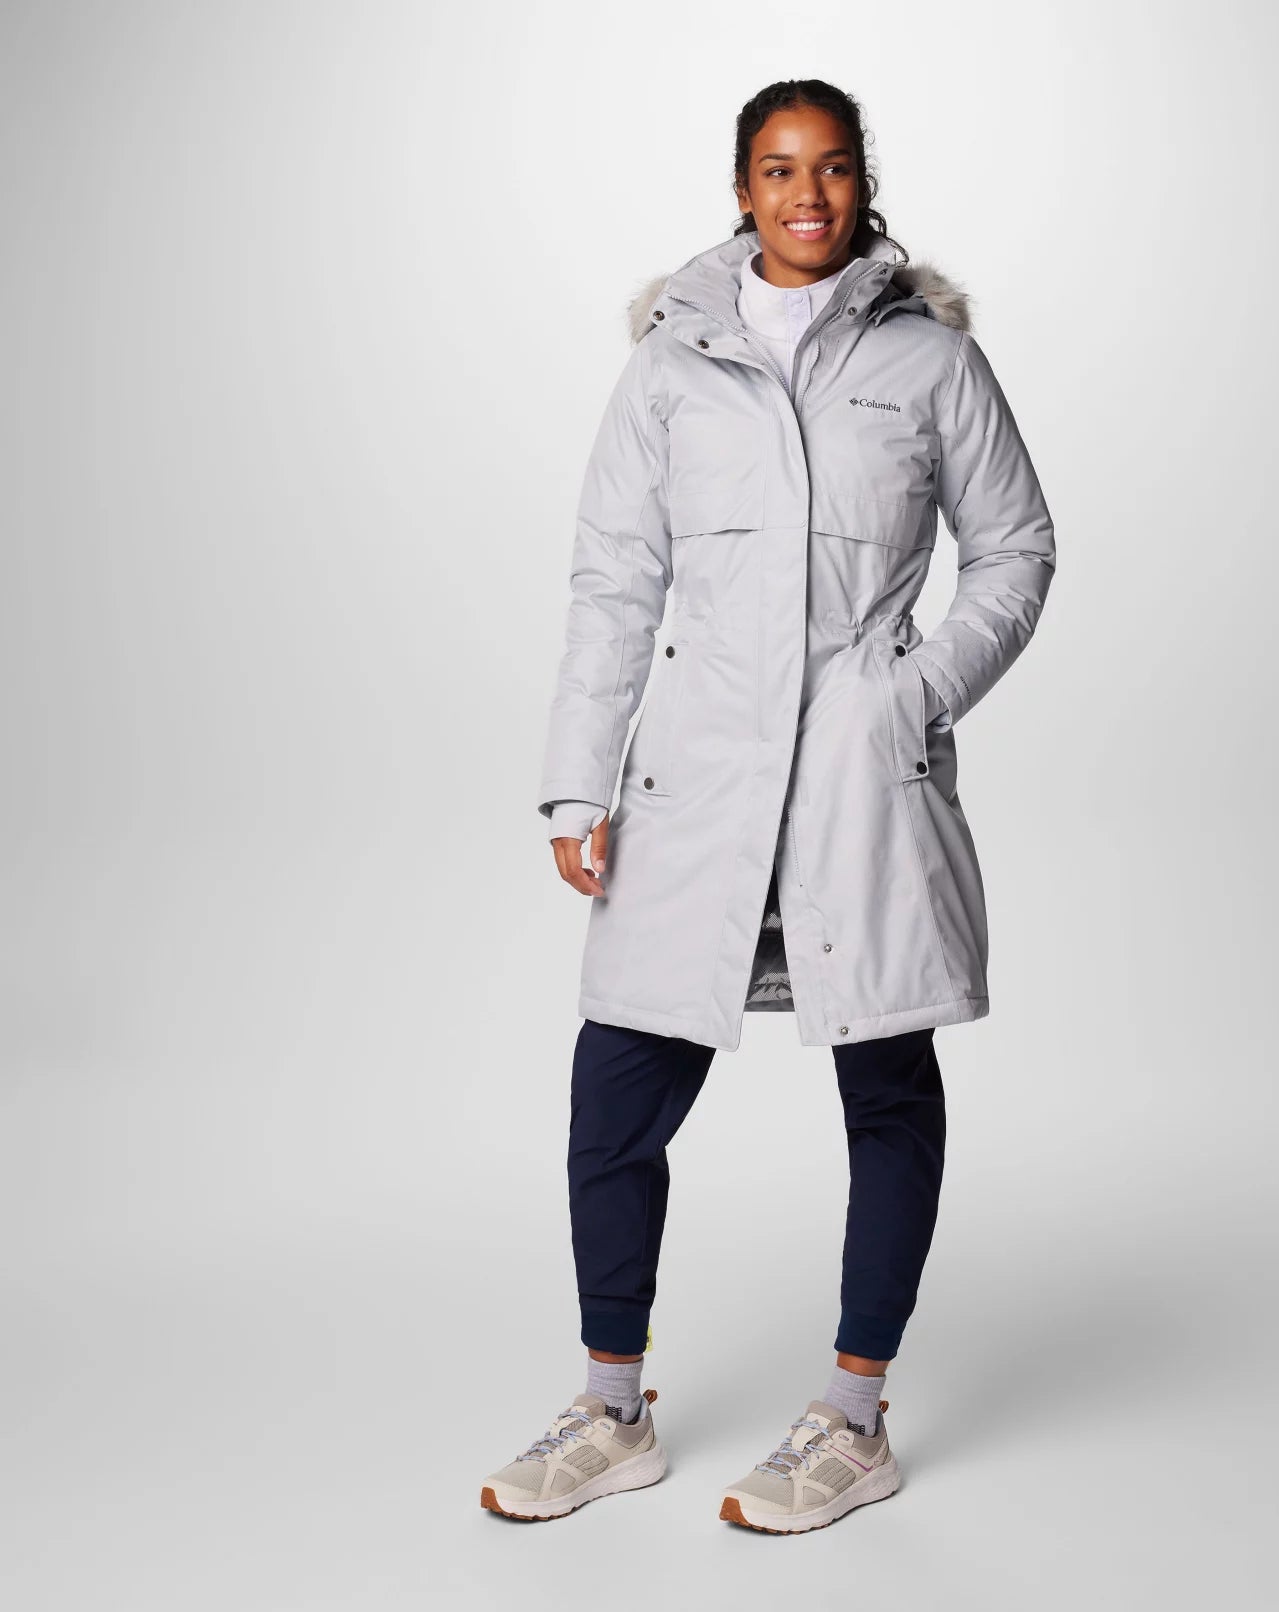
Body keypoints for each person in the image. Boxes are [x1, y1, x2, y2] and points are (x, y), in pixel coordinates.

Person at [481, 78, 1056, 1534]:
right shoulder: (671, 368)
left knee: (887, 1081)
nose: (809, 195)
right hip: (698, 780)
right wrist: (576, 778)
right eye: (780, 170)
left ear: (864, 183)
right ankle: (612, 1410)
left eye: (833, 168)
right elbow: (615, 580)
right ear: (742, 190)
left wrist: (913, 694)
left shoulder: (932, 361)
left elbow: (1017, 549)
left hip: (864, 782)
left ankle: (854, 1420)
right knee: (617, 1091)